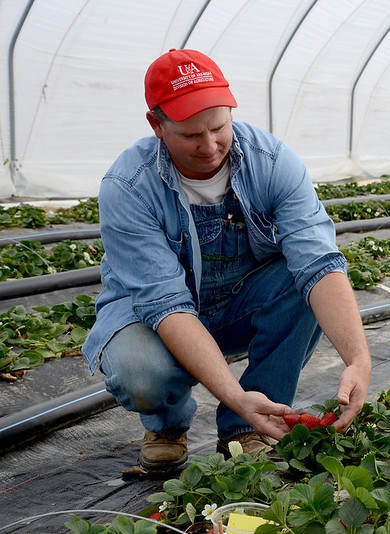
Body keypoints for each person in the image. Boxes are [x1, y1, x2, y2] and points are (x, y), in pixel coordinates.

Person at [82, 48, 372, 470]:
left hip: (239, 298)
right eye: (189, 135)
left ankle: (247, 426)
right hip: (154, 316)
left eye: (219, 127)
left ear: (231, 110)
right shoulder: (128, 186)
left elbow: (319, 262)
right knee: (141, 372)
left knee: (304, 284)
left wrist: (359, 359)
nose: (209, 145)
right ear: (157, 126)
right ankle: (166, 424)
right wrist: (232, 392)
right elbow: (166, 306)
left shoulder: (271, 162)